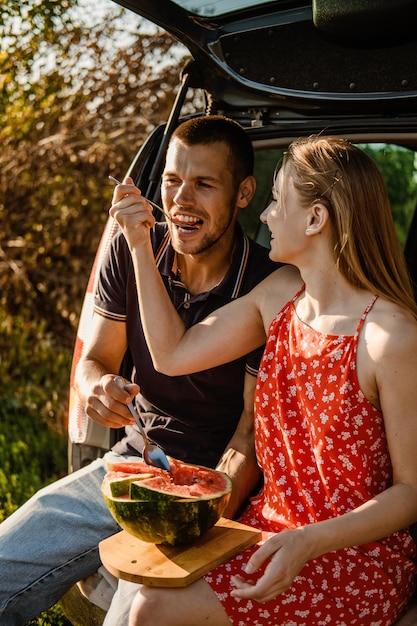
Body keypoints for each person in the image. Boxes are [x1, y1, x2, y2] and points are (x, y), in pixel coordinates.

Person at [108, 135, 417, 626]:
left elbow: (410, 491)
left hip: (353, 555)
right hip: (268, 529)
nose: (266, 215)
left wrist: (306, 541)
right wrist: (141, 245)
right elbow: (171, 354)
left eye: (277, 200)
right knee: (146, 601)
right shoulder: (279, 296)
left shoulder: (389, 335)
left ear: (316, 219)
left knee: (154, 609)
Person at [0, 116, 280, 625]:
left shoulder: (269, 286)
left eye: (204, 184)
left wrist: (207, 507)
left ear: (244, 194)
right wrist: (95, 388)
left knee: (133, 614)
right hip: (131, 464)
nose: (182, 200)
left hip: (222, 490)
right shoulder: (131, 249)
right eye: (172, 181)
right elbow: (95, 361)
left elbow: (249, 434)